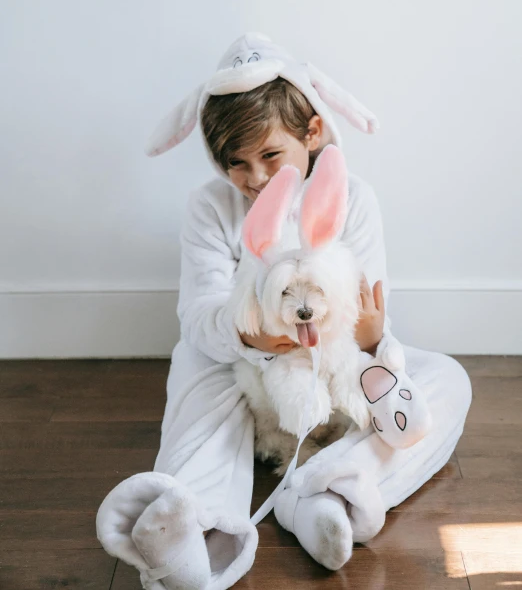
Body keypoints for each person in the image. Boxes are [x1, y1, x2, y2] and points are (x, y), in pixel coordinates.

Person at [96, 33, 472, 590]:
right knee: (195, 380)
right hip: (240, 365)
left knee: (447, 381)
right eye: (235, 163)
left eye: (270, 155)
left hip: (338, 358)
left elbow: (367, 309)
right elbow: (199, 317)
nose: (255, 178)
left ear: (312, 132)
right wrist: (259, 337)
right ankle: (192, 524)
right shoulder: (210, 208)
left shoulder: (353, 199)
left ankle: (329, 492)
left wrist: (372, 341)